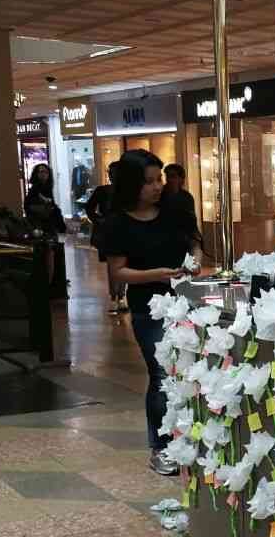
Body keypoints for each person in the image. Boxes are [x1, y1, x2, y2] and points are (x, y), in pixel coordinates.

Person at [104, 149, 202, 476]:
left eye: (158, 179)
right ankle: (160, 446)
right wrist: (158, 274)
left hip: (187, 300)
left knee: (190, 371)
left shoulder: (174, 209)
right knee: (161, 372)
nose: (157, 186)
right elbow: (119, 272)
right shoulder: (118, 223)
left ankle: (190, 436)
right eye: (148, 182)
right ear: (132, 185)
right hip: (149, 306)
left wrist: (195, 261)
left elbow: (194, 242)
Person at [86, 162, 127, 314]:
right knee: (113, 265)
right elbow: (89, 207)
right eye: (112, 173)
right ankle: (115, 297)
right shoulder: (103, 191)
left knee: (121, 265)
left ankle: (120, 296)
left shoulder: (128, 191)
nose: (113, 176)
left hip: (124, 231)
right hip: (109, 232)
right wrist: (99, 220)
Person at [24, 164, 66, 236]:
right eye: (41, 172)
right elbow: (29, 205)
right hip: (37, 218)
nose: (44, 174)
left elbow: (51, 202)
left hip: (47, 216)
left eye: (46, 172)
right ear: (36, 174)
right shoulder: (35, 187)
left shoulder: (47, 187)